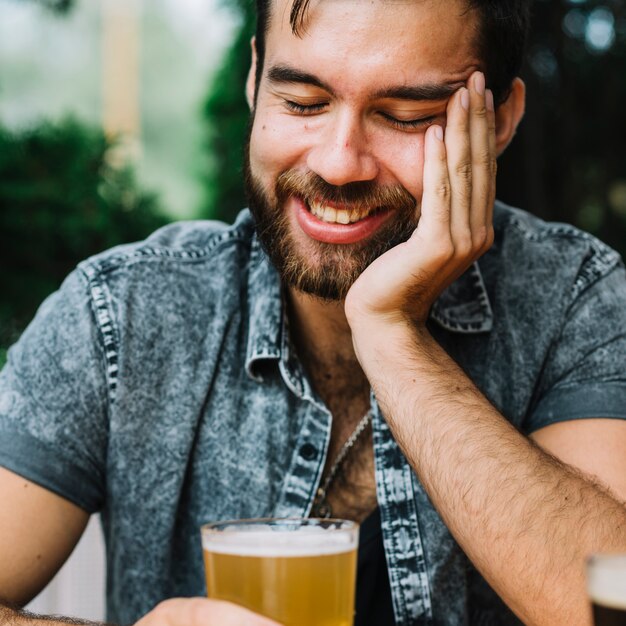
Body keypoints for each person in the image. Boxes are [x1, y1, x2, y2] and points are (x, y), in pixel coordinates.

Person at [1, 0, 626, 625]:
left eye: (406, 116)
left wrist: (391, 335)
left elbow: (601, 604)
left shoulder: (576, 299)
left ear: (499, 121)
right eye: (302, 103)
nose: (337, 162)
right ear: (255, 82)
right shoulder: (124, 312)